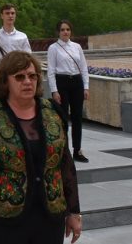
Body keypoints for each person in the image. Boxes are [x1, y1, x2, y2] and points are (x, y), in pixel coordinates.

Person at [0, 51, 83, 244]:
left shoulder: (53, 110)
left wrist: (74, 211)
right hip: (3, 219)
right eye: (19, 77)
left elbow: (66, 163)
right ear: (5, 82)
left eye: (32, 76)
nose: (27, 81)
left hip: (50, 217)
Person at [47, 20, 90, 163]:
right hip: (62, 82)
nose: (65, 32)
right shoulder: (53, 48)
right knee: (63, 118)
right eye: (62, 30)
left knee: (77, 117)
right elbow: (51, 71)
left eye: (68, 29)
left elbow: (84, 68)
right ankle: (63, 151)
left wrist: (86, 86)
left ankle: (77, 150)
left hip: (77, 82)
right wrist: (54, 90)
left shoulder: (77, 47)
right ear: (58, 32)